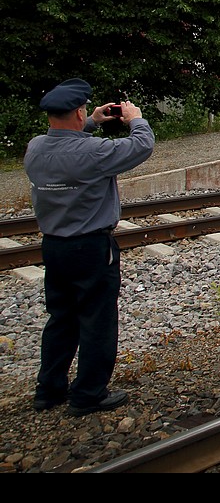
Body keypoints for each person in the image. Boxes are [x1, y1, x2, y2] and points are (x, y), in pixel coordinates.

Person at [24, 79, 155, 416]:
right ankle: (88, 394)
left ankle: (48, 390)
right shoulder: (94, 153)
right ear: (78, 111)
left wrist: (94, 120)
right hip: (91, 248)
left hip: (53, 247)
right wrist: (135, 118)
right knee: (97, 321)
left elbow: (68, 140)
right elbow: (141, 145)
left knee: (61, 319)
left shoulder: (35, 148)